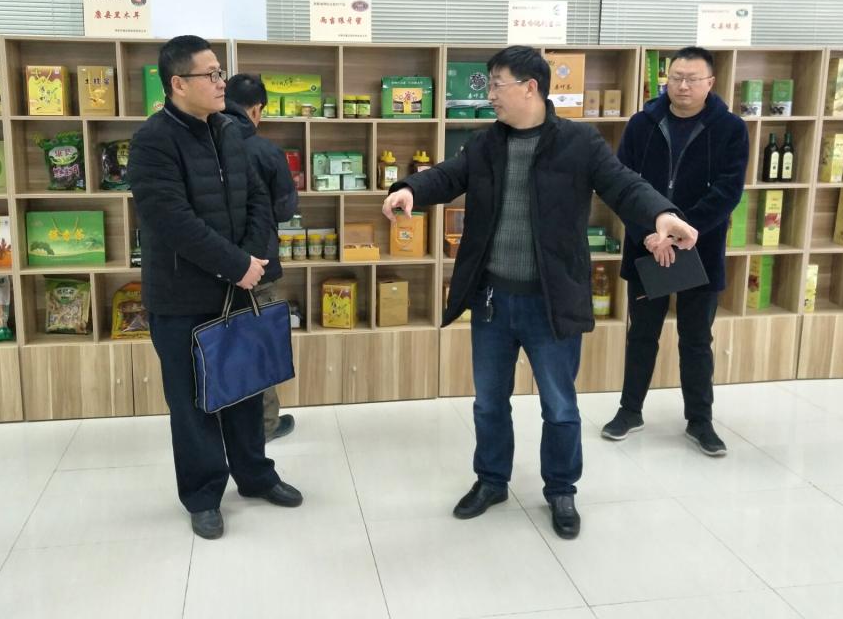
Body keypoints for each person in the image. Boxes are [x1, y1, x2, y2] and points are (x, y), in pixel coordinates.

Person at [381, 45, 698, 539]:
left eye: (497, 85)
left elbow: (624, 185)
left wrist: (662, 214)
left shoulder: (579, 142)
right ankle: (491, 481)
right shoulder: (486, 143)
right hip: (492, 300)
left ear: (530, 87)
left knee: (560, 405)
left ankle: (561, 489)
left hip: (551, 300)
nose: (490, 95)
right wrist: (410, 189)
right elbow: (447, 176)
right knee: (489, 402)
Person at [128, 35, 303, 541]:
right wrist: (235, 264)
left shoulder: (228, 129)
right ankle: (203, 496)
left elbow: (258, 201)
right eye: (210, 74)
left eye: (220, 72)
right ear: (178, 84)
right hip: (181, 296)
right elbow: (171, 221)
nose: (221, 81)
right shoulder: (152, 141)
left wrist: (251, 260)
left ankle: (256, 476)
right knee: (192, 403)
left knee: (245, 389)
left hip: (238, 287)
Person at [601, 46, 748, 457]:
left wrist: (682, 231)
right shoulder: (642, 124)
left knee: (696, 338)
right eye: (676, 77)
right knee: (641, 334)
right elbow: (621, 184)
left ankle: (700, 420)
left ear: (710, 83)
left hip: (700, 246)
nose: (682, 86)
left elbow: (728, 192)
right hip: (648, 246)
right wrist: (651, 232)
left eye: (692, 79)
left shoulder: (730, 128)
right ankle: (629, 411)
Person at [224, 73, 298, 442]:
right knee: (259, 345)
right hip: (258, 266)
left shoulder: (201, 143)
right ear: (256, 110)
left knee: (219, 343)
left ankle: (223, 426)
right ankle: (264, 426)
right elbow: (285, 209)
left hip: (211, 265)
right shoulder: (266, 151)